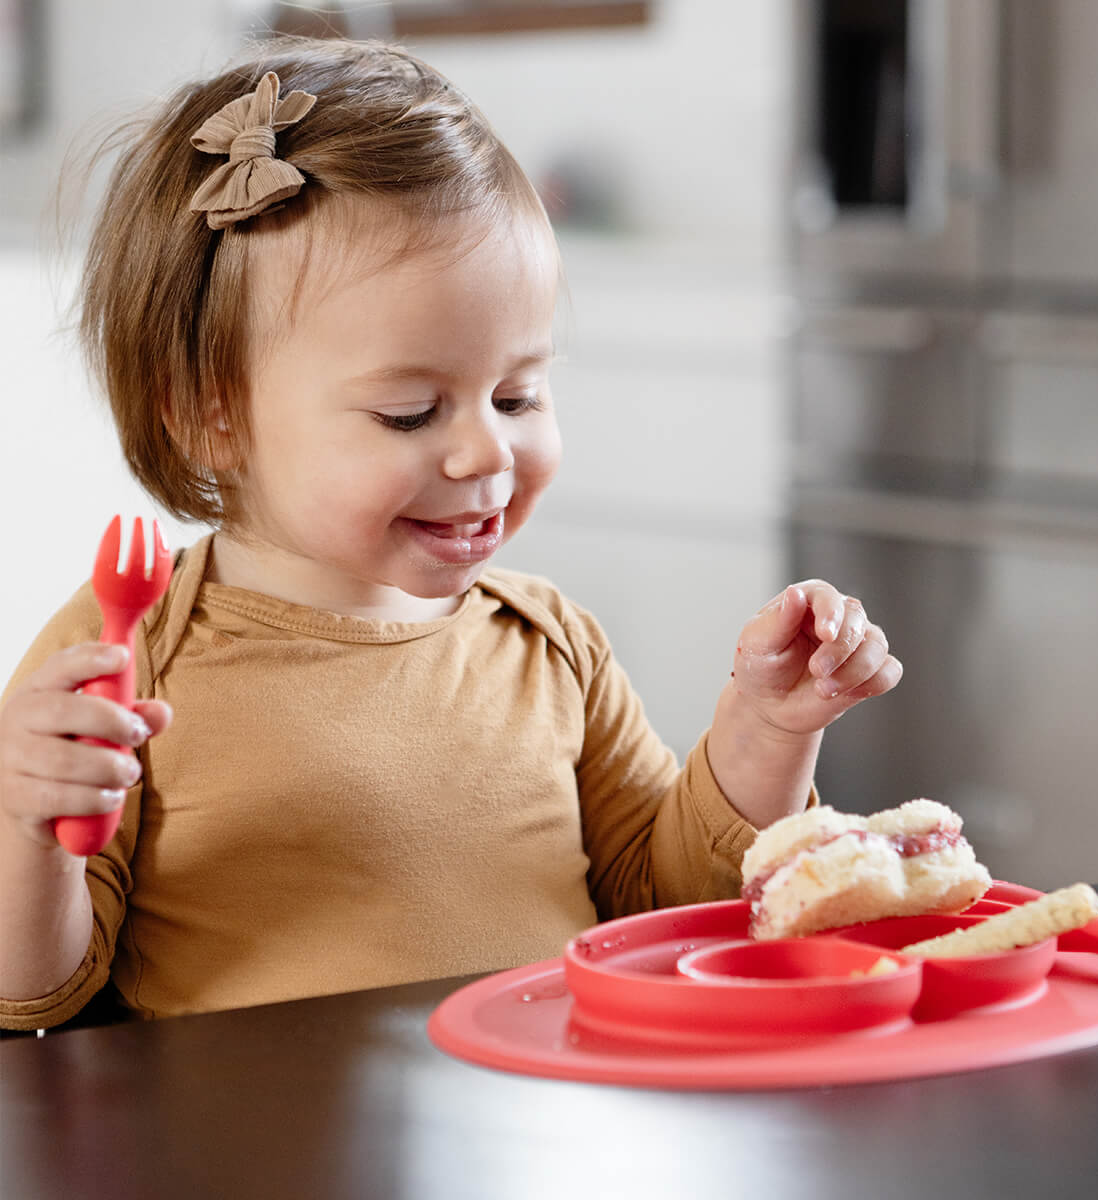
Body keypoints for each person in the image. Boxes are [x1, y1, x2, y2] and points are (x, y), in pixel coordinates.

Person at [0, 38, 901, 1031]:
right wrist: (25, 830)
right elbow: (38, 991)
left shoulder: (548, 643)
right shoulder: (130, 660)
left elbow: (670, 908)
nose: (486, 451)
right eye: (410, 413)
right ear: (209, 415)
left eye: (518, 394)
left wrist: (767, 734)